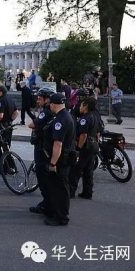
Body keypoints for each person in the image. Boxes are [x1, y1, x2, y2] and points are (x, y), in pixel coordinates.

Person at [42, 93, 76, 226]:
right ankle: (55, 212)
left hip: (61, 160)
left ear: (53, 105)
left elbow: (58, 144)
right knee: (58, 187)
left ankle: (61, 217)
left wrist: (52, 163)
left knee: (60, 188)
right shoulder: (67, 115)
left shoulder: (61, 120)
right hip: (65, 157)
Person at [28, 88, 54, 216]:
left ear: (47, 99)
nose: (38, 100)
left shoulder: (46, 112)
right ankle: (47, 203)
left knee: (43, 178)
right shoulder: (49, 111)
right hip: (45, 147)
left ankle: (47, 205)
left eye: (40, 98)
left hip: (42, 148)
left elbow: (33, 125)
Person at [69, 97, 101, 200]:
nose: (80, 107)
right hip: (93, 145)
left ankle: (71, 191)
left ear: (86, 106)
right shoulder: (95, 116)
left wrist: (78, 148)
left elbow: (83, 135)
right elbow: (97, 132)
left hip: (86, 146)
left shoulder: (85, 118)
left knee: (76, 169)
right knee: (88, 170)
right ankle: (87, 192)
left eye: (82, 105)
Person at [0, 85, 18, 173]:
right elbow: (16, 112)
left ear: (0, 92)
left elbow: (0, 116)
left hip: (0, 128)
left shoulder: (1, 101)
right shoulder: (10, 99)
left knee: (0, 148)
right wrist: (10, 121)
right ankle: (12, 167)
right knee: (6, 148)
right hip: (8, 127)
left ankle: (3, 168)